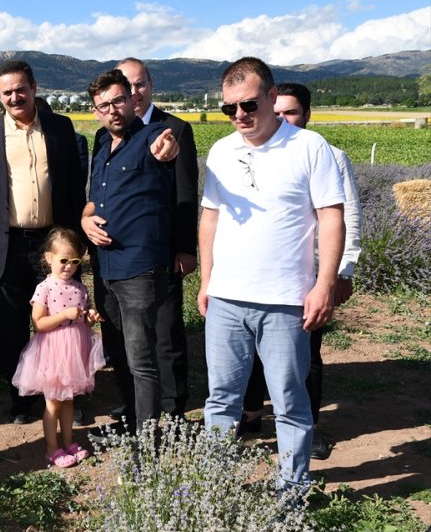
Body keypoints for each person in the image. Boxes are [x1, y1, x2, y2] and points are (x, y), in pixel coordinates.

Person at [199, 57, 345, 494]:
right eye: (229, 108)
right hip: (227, 298)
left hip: (284, 300)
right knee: (221, 400)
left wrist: (324, 285)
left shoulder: (309, 147)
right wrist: (207, 282)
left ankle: (292, 490)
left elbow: (332, 218)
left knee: (289, 402)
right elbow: (210, 219)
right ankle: (216, 490)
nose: (239, 116)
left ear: (270, 95)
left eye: (247, 105)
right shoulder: (222, 151)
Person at [240, 82, 362, 460]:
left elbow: (349, 217)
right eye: (276, 112)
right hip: (260, 273)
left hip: (308, 275)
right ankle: (252, 415)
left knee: (306, 355)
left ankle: (308, 426)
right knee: (253, 351)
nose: (281, 119)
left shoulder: (330, 155)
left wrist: (341, 271)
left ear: (307, 114)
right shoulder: (252, 153)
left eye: (290, 112)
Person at [0, 59, 87, 424]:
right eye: (6, 92)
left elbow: (73, 189)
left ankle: (66, 395)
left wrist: (77, 243)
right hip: (6, 243)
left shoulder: (61, 129)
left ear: (34, 88)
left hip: (54, 245)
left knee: (63, 323)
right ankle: (21, 396)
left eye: (20, 89)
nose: (14, 97)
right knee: (10, 324)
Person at [81, 69, 179, 437]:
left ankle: (147, 440)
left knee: (142, 359)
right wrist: (86, 219)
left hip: (138, 267)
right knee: (118, 353)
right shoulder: (101, 144)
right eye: (103, 105)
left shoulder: (154, 135)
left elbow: (167, 149)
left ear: (132, 100)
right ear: (96, 111)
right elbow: (95, 199)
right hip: (106, 267)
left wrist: (167, 151)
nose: (112, 110)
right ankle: (131, 420)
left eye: (118, 101)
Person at [115, 58, 199, 419]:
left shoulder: (175, 129)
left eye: (140, 84)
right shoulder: (111, 133)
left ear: (151, 85)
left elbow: (184, 193)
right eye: (126, 86)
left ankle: (173, 408)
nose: (134, 93)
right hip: (122, 255)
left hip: (163, 253)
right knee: (128, 335)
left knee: (165, 334)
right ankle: (133, 406)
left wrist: (184, 247)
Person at [12, 227, 104, 467]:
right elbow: (39, 323)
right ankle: (52, 449)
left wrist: (89, 316)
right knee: (53, 402)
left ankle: (69, 442)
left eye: (74, 261)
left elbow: (80, 316)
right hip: (53, 352)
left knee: (69, 401)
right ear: (49, 258)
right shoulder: (45, 288)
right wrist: (64, 315)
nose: (68, 267)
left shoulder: (80, 288)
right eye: (63, 260)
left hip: (74, 351)